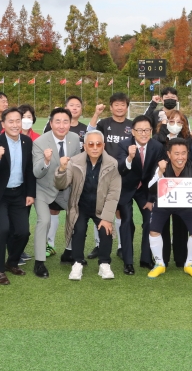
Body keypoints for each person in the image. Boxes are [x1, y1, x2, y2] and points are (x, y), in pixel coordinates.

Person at [55, 130, 122, 281]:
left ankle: (104, 264)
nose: (95, 147)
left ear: (103, 145)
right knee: (78, 229)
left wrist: (107, 217)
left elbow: (114, 193)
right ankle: (77, 263)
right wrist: (62, 170)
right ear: (84, 146)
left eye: (98, 144)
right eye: (91, 144)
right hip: (80, 206)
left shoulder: (112, 163)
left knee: (106, 230)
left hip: (102, 207)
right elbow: (61, 185)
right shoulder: (74, 162)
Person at [0, 107, 36, 284]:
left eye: (18, 120)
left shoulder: (27, 142)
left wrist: (30, 193)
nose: (15, 125)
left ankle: (12, 262)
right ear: (3, 124)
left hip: (18, 193)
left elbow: (29, 169)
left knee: (23, 232)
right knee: (3, 229)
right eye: (10, 121)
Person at [145, 138, 192, 278]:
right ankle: (159, 264)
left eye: (183, 153)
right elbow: (151, 188)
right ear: (169, 154)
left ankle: (189, 264)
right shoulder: (162, 166)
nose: (180, 157)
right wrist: (160, 172)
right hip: (164, 203)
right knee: (154, 231)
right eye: (176, 153)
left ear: (187, 153)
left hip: (185, 205)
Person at [32, 107, 81, 278]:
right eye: (57, 121)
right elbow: (37, 173)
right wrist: (46, 161)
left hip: (66, 187)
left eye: (65, 121)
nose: (61, 125)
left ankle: (69, 252)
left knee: (76, 216)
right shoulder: (39, 142)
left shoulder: (74, 138)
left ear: (70, 123)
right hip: (44, 189)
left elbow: (77, 164)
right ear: (51, 123)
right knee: (44, 221)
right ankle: (39, 262)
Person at [85, 92, 133, 259]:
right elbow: (89, 134)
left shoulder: (131, 125)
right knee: (100, 209)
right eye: (116, 104)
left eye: (122, 105)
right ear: (111, 107)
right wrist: (96, 114)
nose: (119, 107)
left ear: (127, 107)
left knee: (119, 211)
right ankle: (99, 245)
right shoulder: (104, 123)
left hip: (124, 174)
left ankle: (120, 246)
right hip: (103, 173)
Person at [116, 115, 165, 274]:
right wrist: (130, 158)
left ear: (151, 131)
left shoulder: (157, 146)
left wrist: (151, 199)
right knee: (127, 221)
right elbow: (120, 169)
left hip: (146, 190)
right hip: (126, 188)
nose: (144, 133)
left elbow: (155, 175)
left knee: (150, 220)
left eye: (147, 130)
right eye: (140, 130)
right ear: (133, 132)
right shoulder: (123, 145)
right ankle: (128, 262)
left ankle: (146, 258)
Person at [153, 108, 191, 268]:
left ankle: (181, 258)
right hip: (162, 187)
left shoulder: (187, 139)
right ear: (165, 122)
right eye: (171, 121)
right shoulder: (157, 139)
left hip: (182, 186)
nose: (175, 124)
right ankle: (163, 259)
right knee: (161, 224)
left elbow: (191, 161)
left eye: (179, 122)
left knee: (181, 223)